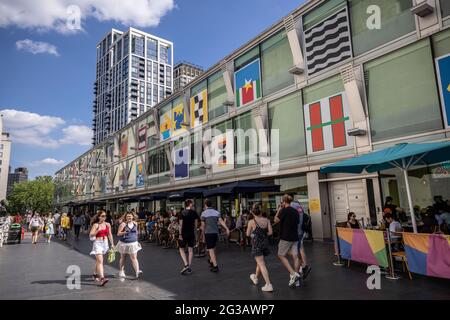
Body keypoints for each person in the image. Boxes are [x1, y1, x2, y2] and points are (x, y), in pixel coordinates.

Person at [274, 194, 301, 287]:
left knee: (280, 255)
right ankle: (297, 279)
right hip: (295, 236)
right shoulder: (295, 211)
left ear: (284, 202)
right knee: (295, 256)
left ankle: (293, 274)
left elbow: (276, 220)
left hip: (285, 236)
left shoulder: (284, 210)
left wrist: (278, 210)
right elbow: (297, 223)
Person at [246, 204, 273, 292]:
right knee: (259, 262)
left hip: (256, 245)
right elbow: (270, 233)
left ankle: (268, 284)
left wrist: (254, 234)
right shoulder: (267, 220)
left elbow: (247, 234)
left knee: (261, 264)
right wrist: (263, 234)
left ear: (253, 213)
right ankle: (256, 277)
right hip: (265, 244)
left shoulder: (251, 221)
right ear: (260, 211)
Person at [200, 199, 230, 272]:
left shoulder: (203, 213)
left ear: (205, 205)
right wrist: (227, 228)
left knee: (210, 250)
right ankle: (211, 260)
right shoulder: (216, 212)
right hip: (215, 233)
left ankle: (215, 266)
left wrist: (202, 235)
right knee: (214, 248)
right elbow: (221, 221)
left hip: (208, 233)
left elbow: (203, 226)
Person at [90, 210, 115, 286]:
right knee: (100, 261)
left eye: (105, 216)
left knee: (98, 261)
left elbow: (110, 234)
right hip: (97, 243)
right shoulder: (96, 225)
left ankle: (95, 274)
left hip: (105, 243)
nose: (104, 217)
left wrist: (112, 244)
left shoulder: (108, 224)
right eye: (102, 216)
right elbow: (91, 234)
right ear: (99, 217)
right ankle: (102, 278)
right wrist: (97, 231)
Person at [116, 211, 143, 279]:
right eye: (127, 216)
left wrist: (136, 240)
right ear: (125, 217)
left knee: (134, 258)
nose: (129, 217)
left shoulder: (135, 223)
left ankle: (137, 272)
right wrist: (124, 232)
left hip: (133, 243)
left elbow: (136, 232)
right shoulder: (123, 224)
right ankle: (121, 271)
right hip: (124, 243)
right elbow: (118, 233)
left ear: (133, 217)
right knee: (123, 258)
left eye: (130, 216)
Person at [291, 201, 311, 285]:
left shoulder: (293, 206)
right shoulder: (299, 208)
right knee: (301, 249)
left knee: (296, 251)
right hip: (302, 231)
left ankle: (303, 266)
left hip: (297, 232)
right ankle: (304, 265)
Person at [178, 199, 199, 275]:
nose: (193, 204)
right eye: (192, 203)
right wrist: (196, 235)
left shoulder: (182, 213)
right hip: (191, 234)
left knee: (181, 249)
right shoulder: (194, 213)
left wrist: (180, 234)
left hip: (183, 234)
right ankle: (189, 267)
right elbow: (196, 226)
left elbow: (181, 225)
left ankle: (186, 264)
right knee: (190, 250)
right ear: (189, 204)